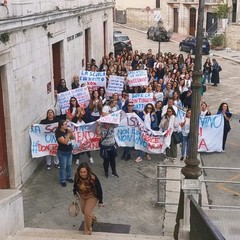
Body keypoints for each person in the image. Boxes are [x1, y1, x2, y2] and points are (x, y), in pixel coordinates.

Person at [73, 162, 103, 235]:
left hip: (92, 196)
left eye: (84, 172)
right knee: (83, 211)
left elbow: (99, 189)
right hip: (82, 196)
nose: (83, 174)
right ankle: (92, 218)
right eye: (81, 172)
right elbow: (75, 184)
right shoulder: (77, 175)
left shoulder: (93, 177)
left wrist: (100, 201)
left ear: (88, 171)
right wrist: (74, 192)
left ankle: (88, 230)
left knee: (87, 213)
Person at [55, 119, 75, 187]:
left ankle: (69, 177)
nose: (66, 125)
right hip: (62, 152)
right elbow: (64, 142)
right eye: (65, 124)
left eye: (66, 124)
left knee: (69, 165)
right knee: (63, 166)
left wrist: (71, 133)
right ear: (61, 126)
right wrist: (68, 135)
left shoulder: (67, 130)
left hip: (69, 151)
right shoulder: (58, 133)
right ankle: (62, 180)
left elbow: (73, 138)